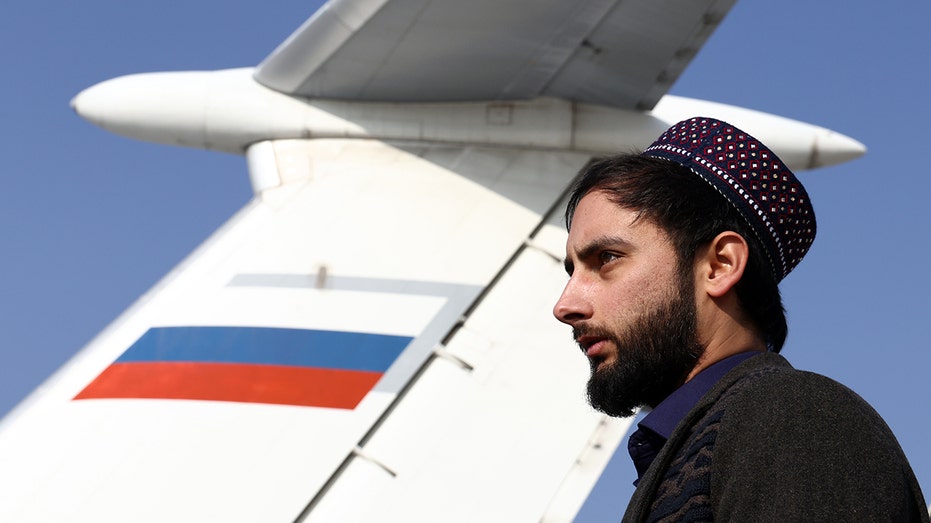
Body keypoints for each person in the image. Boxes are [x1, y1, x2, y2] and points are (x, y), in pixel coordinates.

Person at [553, 117, 929, 521]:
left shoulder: (794, 419)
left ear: (719, 265)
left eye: (606, 259)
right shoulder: (707, 441)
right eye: (571, 270)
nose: (565, 305)